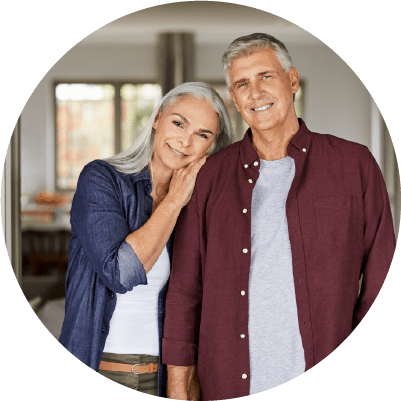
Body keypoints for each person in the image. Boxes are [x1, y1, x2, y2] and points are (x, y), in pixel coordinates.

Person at [162, 33, 396, 400]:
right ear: (235, 101)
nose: (254, 93)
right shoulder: (209, 176)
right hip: (227, 384)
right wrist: (179, 387)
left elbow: (384, 279)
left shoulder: (354, 164)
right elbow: (185, 290)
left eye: (265, 77)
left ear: (291, 81)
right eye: (242, 84)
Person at [58, 82, 234, 397]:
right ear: (157, 119)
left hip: (165, 378)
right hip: (99, 366)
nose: (186, 140)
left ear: (212, 146)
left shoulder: (200, 207)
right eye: (178, 123)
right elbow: (120, 273)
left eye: (202, 134)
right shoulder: (101, 179)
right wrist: (174, 200)